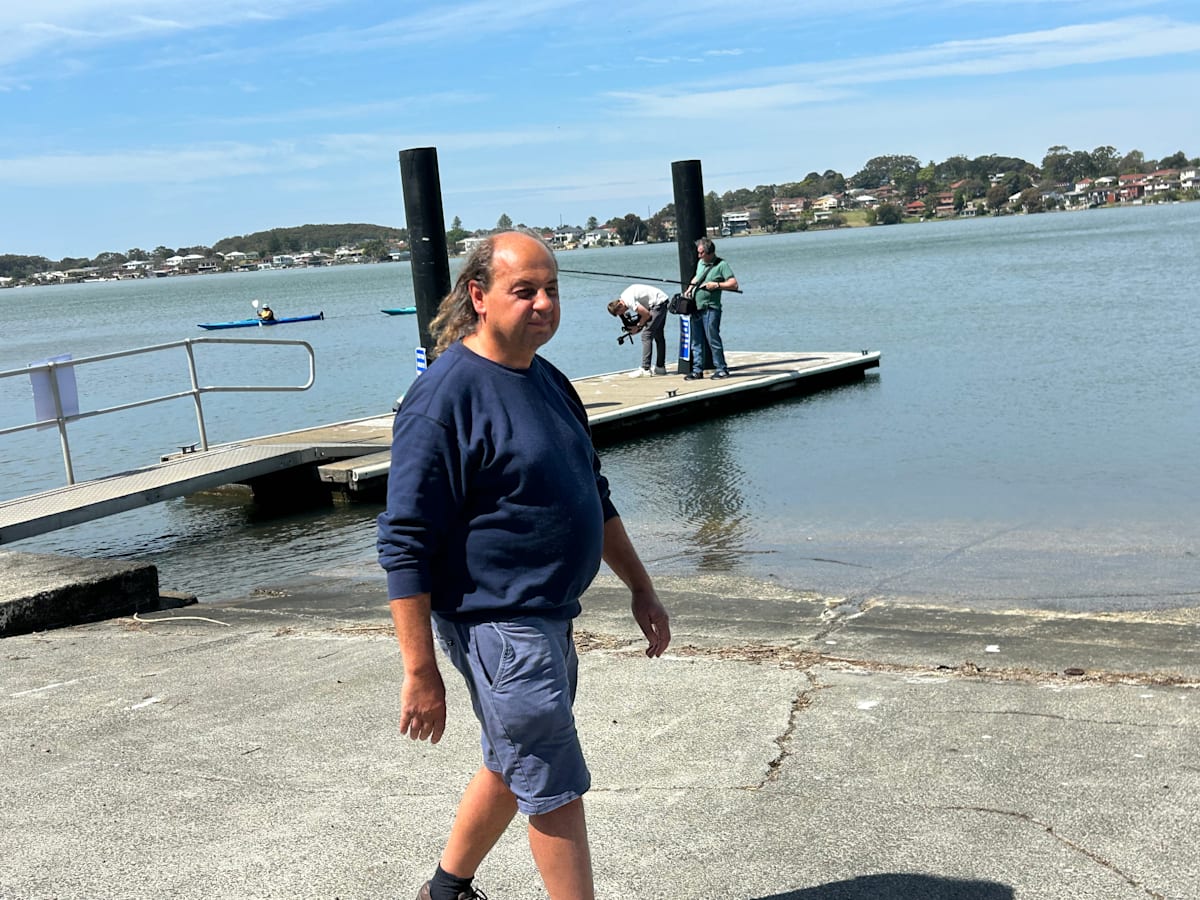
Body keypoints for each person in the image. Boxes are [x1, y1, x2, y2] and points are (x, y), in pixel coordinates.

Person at [377, 231, 672, 900]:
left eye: (552, 290)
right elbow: (404, 541)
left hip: (548, 618)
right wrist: (419, 671)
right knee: (553, 782)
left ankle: (445, 892)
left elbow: (593, 494)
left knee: (517, 762)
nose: (543, 303)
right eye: (525, 290)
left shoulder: (548, 380)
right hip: (498, 625)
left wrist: (641, 587)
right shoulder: (443, 398)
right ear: (478, 296)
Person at [682, 237, 738, 380]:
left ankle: (722, 369)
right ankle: (697, 370)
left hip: (711, 309)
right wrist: (689, 289)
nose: (699, 256)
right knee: (696, 341)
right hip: (696, 308)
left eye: (701, 253)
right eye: (698, 252)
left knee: (713, 339)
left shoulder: (721, 265)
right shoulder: (700, 263)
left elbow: (733, 284)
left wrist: (716, 285)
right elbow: (697, 277)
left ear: (710, 252)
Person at [606, 283, 669, 377]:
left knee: (646, 335)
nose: (624, 313)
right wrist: (638, 326)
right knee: (658, 335)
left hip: (657, 304)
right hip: (662, 301)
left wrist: (638, 327)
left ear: (620, 305)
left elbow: (646, 315)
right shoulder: (625, 297)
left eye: (621, 312)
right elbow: (644, 314)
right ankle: (660, 368)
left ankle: (645, 369)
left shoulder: (628, 301)